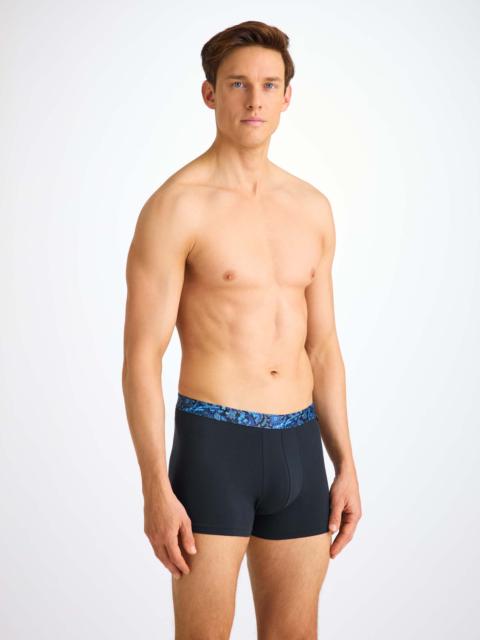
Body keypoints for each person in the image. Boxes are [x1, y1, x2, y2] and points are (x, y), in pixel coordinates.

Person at [122, 19, 362, 640]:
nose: (254, 99)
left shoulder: (312, 208)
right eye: (237, 84)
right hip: (214, 446)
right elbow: (142, 357)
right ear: (210, 94)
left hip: (300, 448)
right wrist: (154, 487)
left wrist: (345, 463)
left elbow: (324, 347)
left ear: (287, 96)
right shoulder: (178, 206)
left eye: (268, 84)